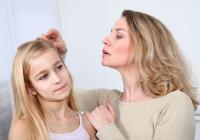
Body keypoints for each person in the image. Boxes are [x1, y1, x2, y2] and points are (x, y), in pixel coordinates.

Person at [42, 10, 199, 140]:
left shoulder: (175, 102)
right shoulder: (106, 100)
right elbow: (54, 93)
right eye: (110, 34)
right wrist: (58, 56)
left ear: (144, 47)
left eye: (119, 36)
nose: (105, 40)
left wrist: (107, 129)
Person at [8, 39, 96, 140]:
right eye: (44, 76)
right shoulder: (24, 129)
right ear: (31, 88)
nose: (57, 79)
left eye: (59, 67)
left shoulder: (87, 124)